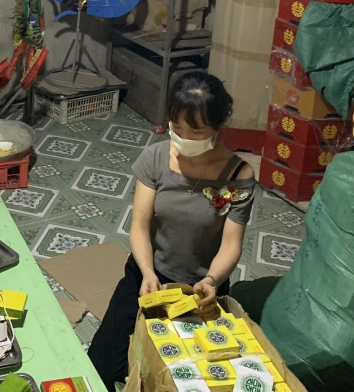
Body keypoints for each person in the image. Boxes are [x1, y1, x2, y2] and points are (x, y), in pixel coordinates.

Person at [88, 71, 255, 391]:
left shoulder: (238, 174)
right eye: (177, 128)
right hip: (147, 277)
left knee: (187, 376)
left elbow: (231, 244)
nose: (184, 138)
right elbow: (140, 226)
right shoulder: (155, 158)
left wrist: (211, 281)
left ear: (218, 127)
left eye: (196, 131)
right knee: (103, 366)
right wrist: (148, 272)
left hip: (202, 288)